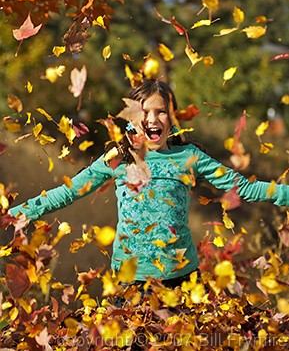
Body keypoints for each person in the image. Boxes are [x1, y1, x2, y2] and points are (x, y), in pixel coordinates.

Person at [9, 80, 289, 290]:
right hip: (129, 279)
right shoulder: (118, 158)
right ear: (131, 118)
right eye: (144, 112)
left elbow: (243, 187)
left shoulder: (189, 157)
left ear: (172, 117)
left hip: (180, 278)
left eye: (162, 112)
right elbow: (68, 192)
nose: (153, 119)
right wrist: (15, 214)